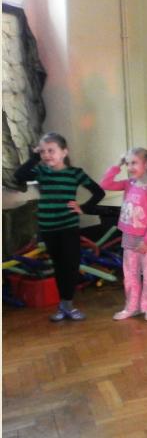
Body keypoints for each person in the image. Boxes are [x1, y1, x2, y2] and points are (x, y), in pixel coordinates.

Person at [13, 132, 105, 322]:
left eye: (51, 150)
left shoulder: (75, 173)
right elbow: (19, 176)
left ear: (64, 152)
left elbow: (98, 192)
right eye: (43, 151)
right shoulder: (42, 172)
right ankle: (63, 306)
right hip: (48, 228)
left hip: (68, 227)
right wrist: (34, 157)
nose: (47, 155)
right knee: (58, 266)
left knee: (70, 266)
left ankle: (68, 305)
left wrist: (83, 207)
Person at [100, 148, 147, 321]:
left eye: (134, 163)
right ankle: (132, 306)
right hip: (129, 237)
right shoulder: (129, 184)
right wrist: (117, 165)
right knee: (129, 274)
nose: (130, 167)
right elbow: (105, 184)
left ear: (146, 164)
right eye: (127, 163)